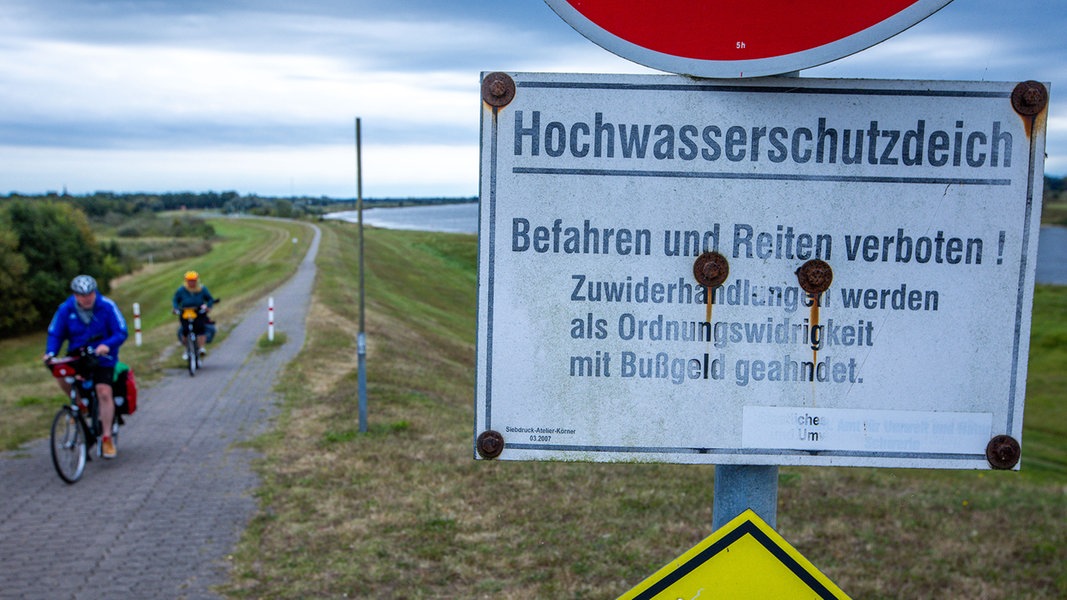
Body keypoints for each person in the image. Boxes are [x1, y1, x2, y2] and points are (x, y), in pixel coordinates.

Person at [44, 275, 129, 459]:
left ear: (94, 292)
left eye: (89, 294)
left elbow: (121, 331)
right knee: (60, 374)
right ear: (75, 295)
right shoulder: (65, 310)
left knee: (104, 391)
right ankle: (79, 403)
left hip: (102, 358)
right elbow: (55, 334)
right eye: (81, 295)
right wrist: (50, 353)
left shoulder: (106, 306)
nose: (86, 298)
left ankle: (106, 437)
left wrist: (107, 344)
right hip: (77, 357)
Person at [172, 271, 215, 359]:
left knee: (201, 329)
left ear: (196, 280)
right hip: (185, 312)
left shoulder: (202, 289)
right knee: (184, 330)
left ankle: (201, 348)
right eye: (189, 280)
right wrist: (176, 308)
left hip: (198, 312)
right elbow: (175, 300)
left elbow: (210, 299)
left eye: (193, 280)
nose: (191, 282)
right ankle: (187, 349)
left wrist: (208, 307)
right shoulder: (182, 290)